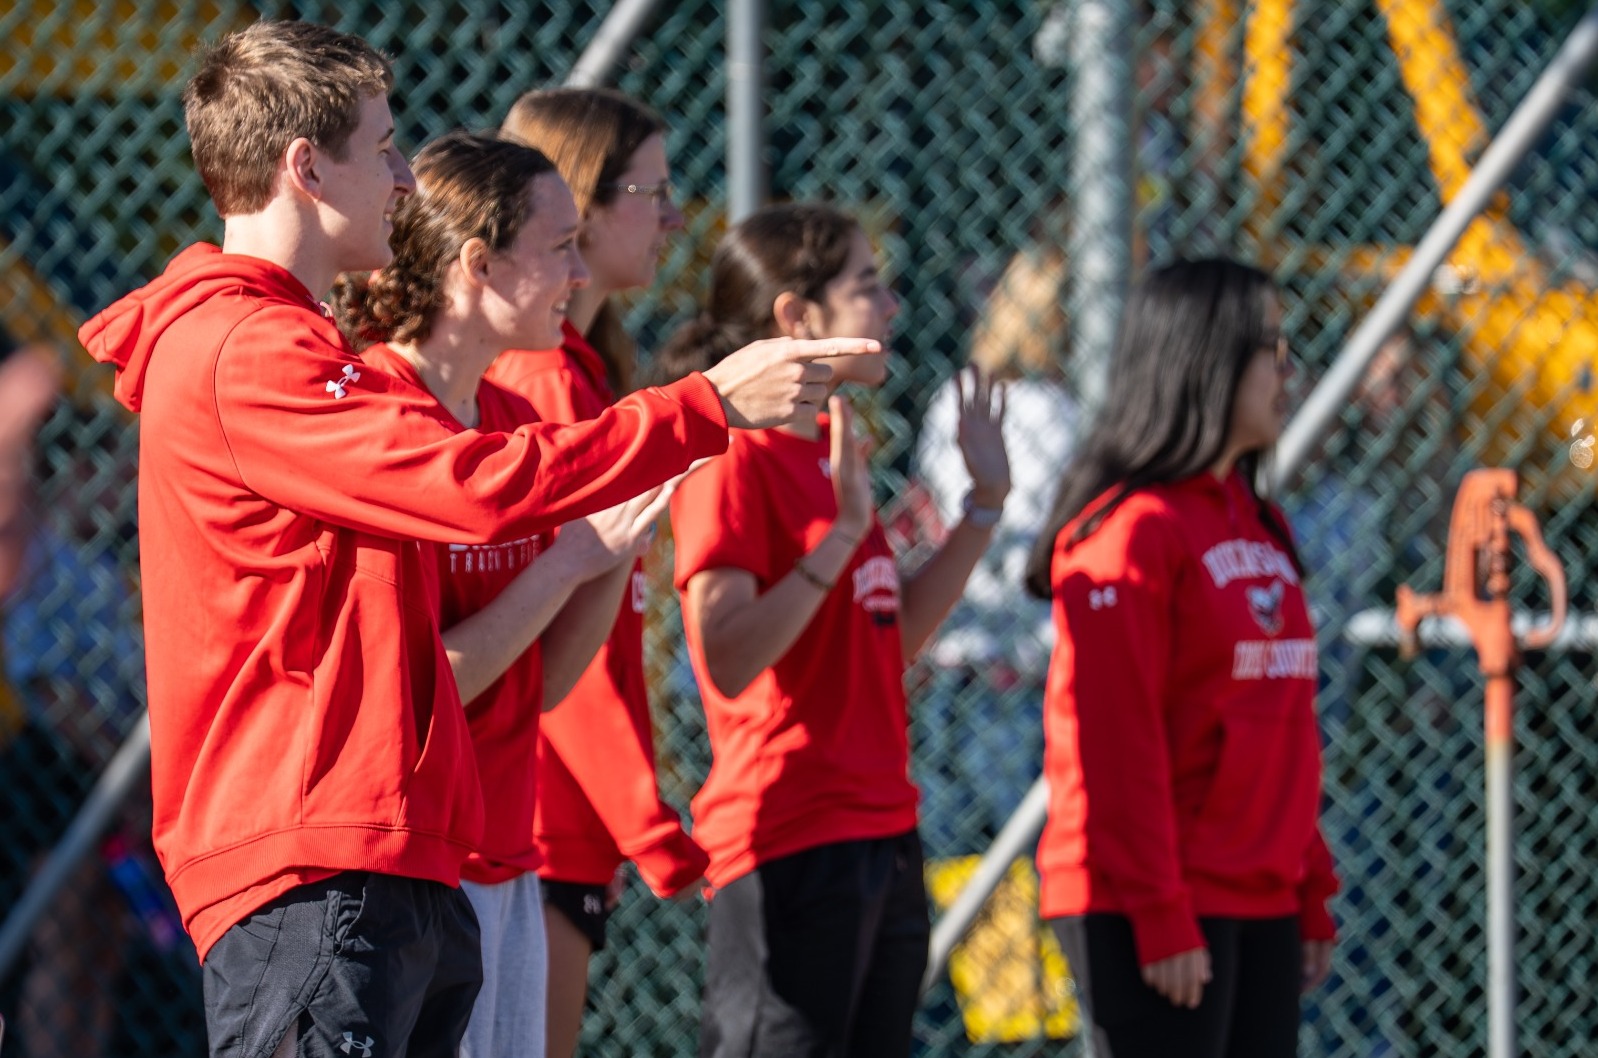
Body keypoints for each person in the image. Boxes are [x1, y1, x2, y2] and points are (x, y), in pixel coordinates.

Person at [76, 20, 877, 1058]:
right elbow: (471, 486)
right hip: (317, 855)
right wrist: (707, 405)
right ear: (305, 165)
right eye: (383, 147)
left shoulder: (293, 338)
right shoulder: (245, 346)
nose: (405, 179)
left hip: (388, 854)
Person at [332, 128, 681, 1058]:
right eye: (559, 246)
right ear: (477, 265)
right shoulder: (376, 420)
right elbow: (426, 685)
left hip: (502, 853)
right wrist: (565, 564)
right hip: (402, 868)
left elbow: (540, 686)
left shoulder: (514, 419)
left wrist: (605, 556)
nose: (577, 274)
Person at [661, 202, 1012, 1058]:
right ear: (796, 318)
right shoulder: (737, 462)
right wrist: (842, 538)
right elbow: (730, 656)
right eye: (867, 287)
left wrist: (983, 509)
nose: (892, 307)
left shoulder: (828, 461)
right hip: (789, 837)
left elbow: (881, 650)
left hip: (880, 831)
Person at [1022, 258, 1338, 1058]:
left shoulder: (1259, 520)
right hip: (1152, 897)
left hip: (1255, 889)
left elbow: (1285, 726)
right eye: (1268, 344)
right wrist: (1161, 913)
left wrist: (1308, 884)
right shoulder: (1134, 529)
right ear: (1207, 358)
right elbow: (1116, 744)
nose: (1286, 367)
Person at [489, 87, 710, 1058]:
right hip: (537, 807)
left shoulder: (580, 365)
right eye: (648, 190)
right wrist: (642, 812)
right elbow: (554, 622)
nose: (670, 216)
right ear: (575, 198)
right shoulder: (542, 377)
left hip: (560, 808)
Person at [911, 244, 1079, 852]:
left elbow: (931, 509)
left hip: (956, 650)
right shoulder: (1061, 411)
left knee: (953, 857)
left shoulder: (955, 396)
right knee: (1030, 853)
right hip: (1030, 662)